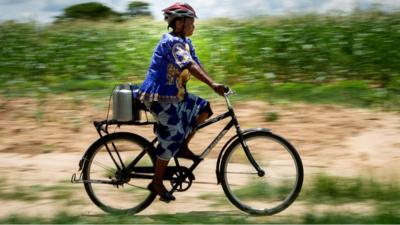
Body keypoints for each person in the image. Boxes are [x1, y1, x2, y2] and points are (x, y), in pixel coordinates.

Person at [138, 2, 225, 202]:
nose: (194, 25)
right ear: (179, 23)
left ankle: (183, 146)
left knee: (204, 108)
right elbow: (188, 64)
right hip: (159, 96)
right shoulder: (171, 42)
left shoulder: (185, 42)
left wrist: (215, 83)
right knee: (173, 134)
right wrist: (212, 84)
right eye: (191, 21)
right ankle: (156, 181)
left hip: (176, 95)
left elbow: (196, 63)